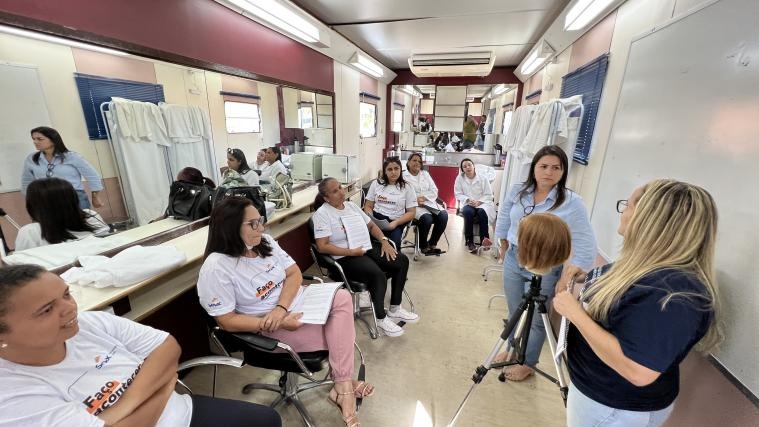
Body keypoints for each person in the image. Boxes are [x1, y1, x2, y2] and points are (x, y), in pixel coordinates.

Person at [0, 264, 281, 427]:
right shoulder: (11, 395)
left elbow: (168, 347)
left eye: (66, 295)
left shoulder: (90, 324)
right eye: (47, 310)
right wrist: (163, 384)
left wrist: (126, 405)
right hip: (167, 405)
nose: (69, 309)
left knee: (267, 420)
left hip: (184, 412)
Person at [553, 179, 723, 427]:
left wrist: (575, 313)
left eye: (628, 205)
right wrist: (584, 277)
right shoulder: (644, 266)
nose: (623, 212)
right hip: (595, 391)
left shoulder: (673, 294)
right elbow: (621, 296)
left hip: (614, 408)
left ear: (650, 220)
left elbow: (638, 370)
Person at [197, 197, 374, 426]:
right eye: (253, 224)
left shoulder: (265, 242)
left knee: (342, 298)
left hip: (294, 303)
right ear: (230, 228)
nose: (261, 228)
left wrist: (281, 307)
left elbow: (294, 274)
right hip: (267, 327)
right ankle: (344, 388)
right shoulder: (217, 267)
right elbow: (227, 321)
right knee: (339, 334)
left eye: (260, 220)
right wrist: (276, 321)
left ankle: (340, 385)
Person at [493, 145, 596, 381]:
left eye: (556, 167)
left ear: (563, 171)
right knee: (514, 311)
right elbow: (505, 214)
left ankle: (528, 362)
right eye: (543, 166)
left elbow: (585, 242)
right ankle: (511, 350)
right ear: (534, 168)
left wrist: (567, 276)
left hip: (546, 265)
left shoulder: (572, 202)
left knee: (537, 317)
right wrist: (502, 242)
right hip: (515, 257)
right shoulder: (519, 191)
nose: (548, 172)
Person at [313, 177, 418, 338]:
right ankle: (381, 319)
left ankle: (395, 308)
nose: (341, 192)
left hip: (364, 248)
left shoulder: (351, 206)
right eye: (335, 191)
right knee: (377, 274)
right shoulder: (322, 214)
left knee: (401, 261)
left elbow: (371, 225)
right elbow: (322, 246)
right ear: (326, 198)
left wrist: (383, 241)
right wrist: (351, 252)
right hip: (344, 257)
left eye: (340, 187)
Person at [21, 126, 104, 210]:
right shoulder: (32, 158)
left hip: (73, 196)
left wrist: (95, 196)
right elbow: (26, 181)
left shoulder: (72, 157)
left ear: (53, 140)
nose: (35, 142)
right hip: (46, 198)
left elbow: (92, 176)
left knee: (79, 222)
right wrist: (31, 199)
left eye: (40, 139)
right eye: (33, 139)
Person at [15, 178, 110, 251]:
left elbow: (23, 267)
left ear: (33, 205)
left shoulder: (30, 232)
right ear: (73, 199)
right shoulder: (90, 216)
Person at [363, 157, 417, 250]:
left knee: (394, 245)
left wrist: (396, 223)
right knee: (366, 243)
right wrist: (370, 218)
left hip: (395, 222)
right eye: (390, 169)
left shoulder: (407, 187)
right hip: (376, 219)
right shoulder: (376, 184)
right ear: (385, 171)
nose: (393, 172)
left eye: (396, 168)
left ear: (400, 169)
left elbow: (411, 213)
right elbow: (368, 205)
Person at [403, 153, 448, 255]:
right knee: (427, 218)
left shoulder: (425, 174)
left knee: (443, 215)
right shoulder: (403, 176)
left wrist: (423, 198)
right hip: (413, 206)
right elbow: (402, 194)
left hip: (429, 202)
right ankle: (423, 246)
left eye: (419, 161)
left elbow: (434, 190)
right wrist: (415, 200)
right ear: (408, 162)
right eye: (414, 160)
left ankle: (432, 244)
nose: (417, 163)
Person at [454, 158, 496, 253]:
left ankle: (484, 240)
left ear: (473, 166)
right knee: (467, 212)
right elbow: (458, 193)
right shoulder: (460, 179)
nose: (467, 167)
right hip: (469, 203)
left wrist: (479, 202)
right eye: (464, 166)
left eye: (469, 165)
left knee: (482, 212)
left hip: (483, 203)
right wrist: (468, 200)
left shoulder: (482, 178)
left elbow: (489, 194)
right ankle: (470, 241)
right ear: (462, 169)